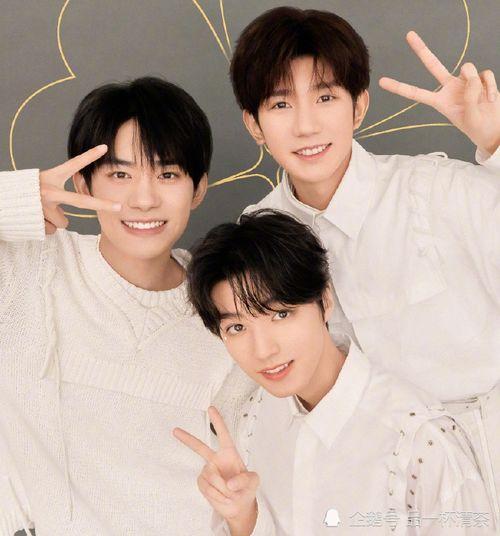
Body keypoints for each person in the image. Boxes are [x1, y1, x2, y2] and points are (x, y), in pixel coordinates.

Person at [229, 6, 500, 523]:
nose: (306, 125)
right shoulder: (258, 234)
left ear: (359, 106)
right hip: (361, 493)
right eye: (281, 103)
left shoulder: (435, 192)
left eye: (325, 97)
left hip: (487, 464)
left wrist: (496, 141)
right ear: (254, 124)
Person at [0, 76, 255, 535]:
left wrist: (243, 518)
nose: (144, 199)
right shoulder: (30, 269)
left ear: (198, 189)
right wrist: (15, 199)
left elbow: (254, 482)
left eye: (168, 174)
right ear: (83, 184)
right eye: (120, 175)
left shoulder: (228, 313)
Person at [175, 209, 495, 535]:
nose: (263, 350)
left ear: (325, 300)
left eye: (281, 314)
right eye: (237, 327)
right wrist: (243, 518)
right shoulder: (250, 423)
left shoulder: (420, 441)